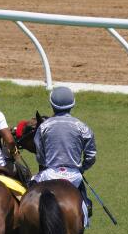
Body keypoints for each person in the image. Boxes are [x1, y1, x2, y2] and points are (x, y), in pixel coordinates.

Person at [34, 86, 97, 225]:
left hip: (49, 174)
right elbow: (91, 155)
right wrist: (81, 168)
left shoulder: (43, 127)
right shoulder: (82, 127)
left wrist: (45, 164)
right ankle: (86, 214)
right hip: (74, 176)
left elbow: (40, 155)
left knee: (27, 192)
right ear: (72, 105)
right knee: (84, 203)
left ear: (52, 105)